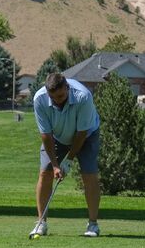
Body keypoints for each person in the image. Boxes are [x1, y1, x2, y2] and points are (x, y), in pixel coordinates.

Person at [30, 73, 101, 237]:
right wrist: (55, 165)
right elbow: (46, 135)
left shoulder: (83, 96)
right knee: (44, 173)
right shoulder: (39, 99)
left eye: (61, 96)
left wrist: (68, 160)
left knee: (89, 175)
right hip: (56, 136)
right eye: (53, 97)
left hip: (87, 135)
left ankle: (93, 225)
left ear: (67, 88)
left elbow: (81, 133)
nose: (57, 100)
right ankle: (41, 223)